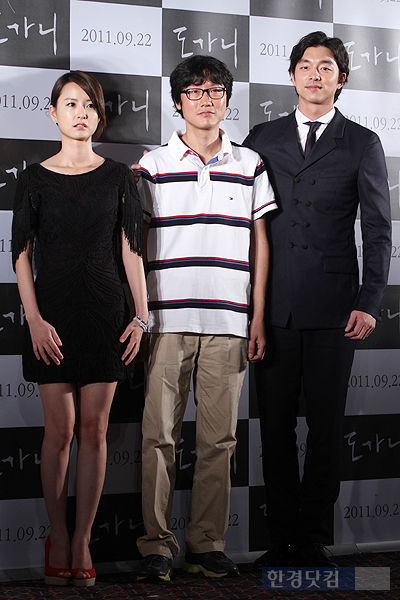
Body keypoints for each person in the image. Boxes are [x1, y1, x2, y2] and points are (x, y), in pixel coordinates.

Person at [243, 31, 391, 567]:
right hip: (273, 305)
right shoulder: (262, 137)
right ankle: (281, 537)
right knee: (275, 427)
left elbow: (378, 229)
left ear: (341, 79)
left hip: (335, 308)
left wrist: (369, 301)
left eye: (326, 67)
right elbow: (240, 218)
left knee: (326, 428)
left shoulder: (362, 142)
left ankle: (313, 538)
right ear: (291, 76)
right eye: (305, 65)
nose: (314, 74)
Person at [134, 55, 276, 582]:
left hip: (230, 321)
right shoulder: (151, 165)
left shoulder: (251, 163)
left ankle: (206, 544)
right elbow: (133, 246)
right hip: (165, 320)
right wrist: (141, 315)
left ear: (227, 99)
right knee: (158, 438)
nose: (206, 99)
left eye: (216, 90)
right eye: (194, 91)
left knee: (219, 441)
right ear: (178, 101)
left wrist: (257, 316)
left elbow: (260, 245)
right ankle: (155, 546)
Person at [11, 71, 147, 586]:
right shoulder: (33, 179)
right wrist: (34, 320)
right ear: (53, 113)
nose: (81, 113)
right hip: (52, 318)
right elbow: (21, 256)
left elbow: (132, 253)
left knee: (94, 431)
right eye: (71, 104)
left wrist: (141, 315)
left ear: (99, 114)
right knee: (60, 432)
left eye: (90, 104)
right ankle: (57, 534)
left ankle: (83, 538)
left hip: (106, 316)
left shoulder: (119, 177)